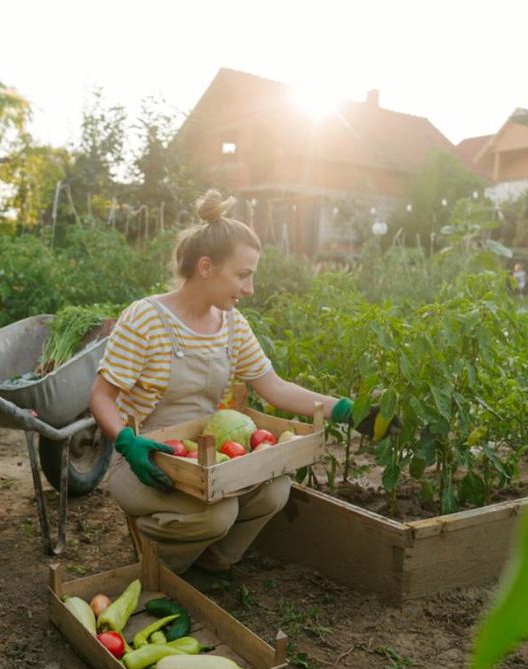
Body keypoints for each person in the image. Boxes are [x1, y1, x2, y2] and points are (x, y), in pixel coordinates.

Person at [89, 189, 367, 574]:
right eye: (242, 275)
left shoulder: (232, 324)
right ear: (206, 267)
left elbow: (274, 387)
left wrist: (347, 410)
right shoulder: (145, 319)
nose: (249, 289)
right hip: (146, 459)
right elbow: (101, 397)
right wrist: (126, 441)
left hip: (209, 457)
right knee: (216, 515)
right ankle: (159, 568)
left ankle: (212, 562)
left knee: (275, 491)